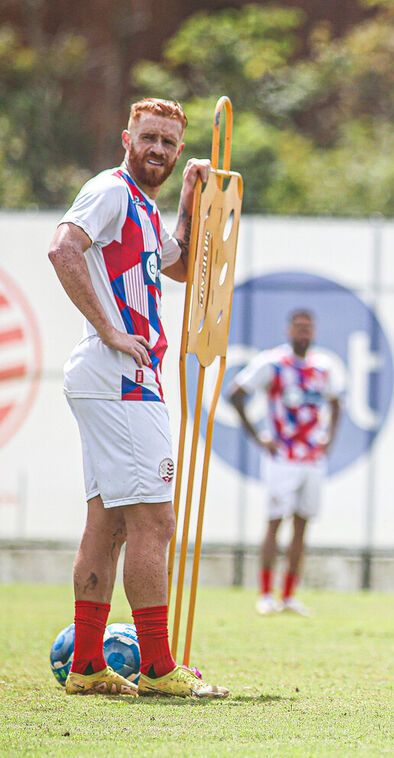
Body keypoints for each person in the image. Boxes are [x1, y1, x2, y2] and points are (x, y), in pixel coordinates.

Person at [47, 98, 228, 697]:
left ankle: (88, 667)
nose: (159, 150)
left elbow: (177, 267)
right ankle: (156, 667)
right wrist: (107, 328)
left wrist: (190, 201)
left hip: (118, 378)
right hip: (121, 374)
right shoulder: (111, 190)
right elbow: (61, 248)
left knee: (109, 525)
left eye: (169, 143)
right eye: (149, 137)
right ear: (127, 137)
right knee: (155, 519)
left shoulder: (144, 209)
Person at [228, 309, 344, 617]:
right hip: (282, 457)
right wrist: (259, 437)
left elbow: (336, 403)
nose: (303, 333)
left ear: (314, 332)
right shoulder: (272, 363)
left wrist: (328, 441)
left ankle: (289, 594)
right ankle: (265, 593)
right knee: (275, 522)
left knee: (302, 525)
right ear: (289, 330)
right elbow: (235, 394)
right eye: (299, 327)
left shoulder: (323, 366)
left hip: (312, 459)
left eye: (308, 328)